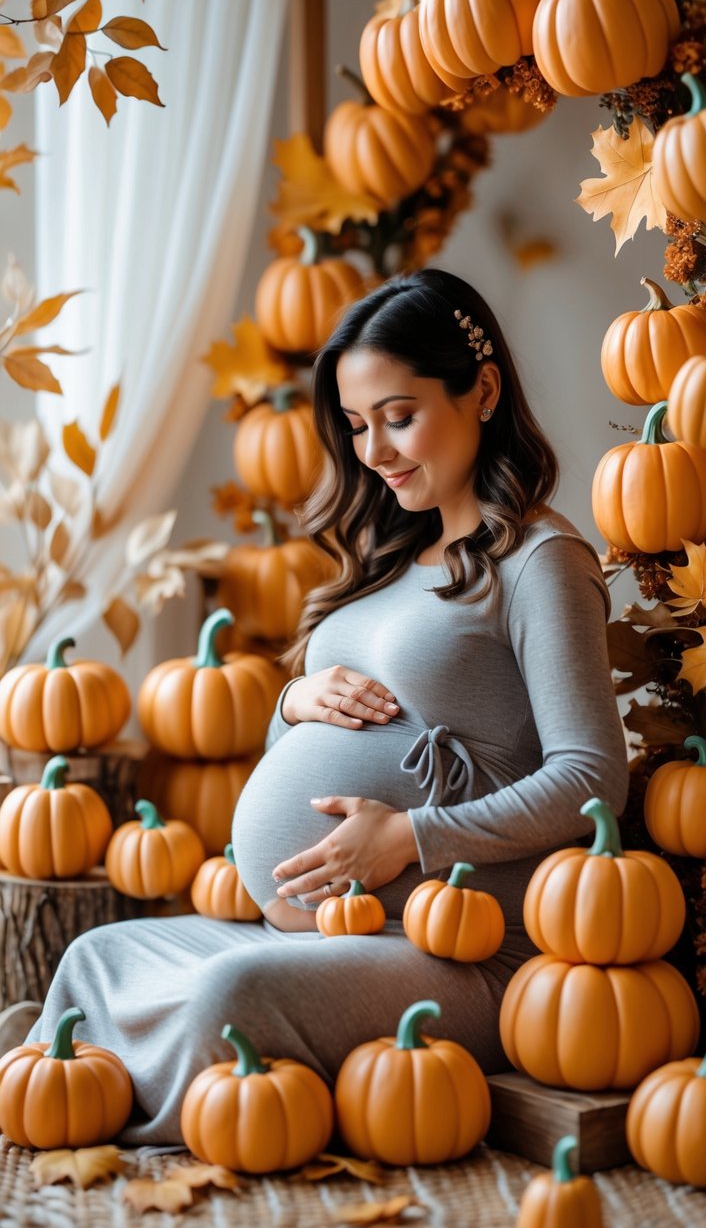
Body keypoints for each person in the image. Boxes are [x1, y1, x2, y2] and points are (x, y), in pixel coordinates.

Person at [22, 270, 627, 1145]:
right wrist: (294, 700)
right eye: (356, 425)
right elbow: (307, 737)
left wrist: (408, 838)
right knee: (97, 952)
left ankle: (130, 1101)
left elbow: (591, 778)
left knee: (235, 998)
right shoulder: (390, 554)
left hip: (460, 950)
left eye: (399, 414)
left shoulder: (541, 560)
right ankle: (86, 1088)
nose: (375, 450)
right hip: (327, 933)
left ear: (482, 390)